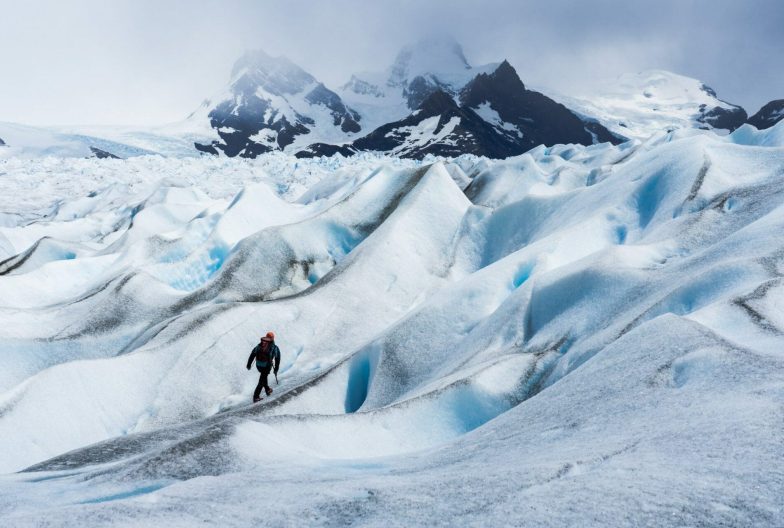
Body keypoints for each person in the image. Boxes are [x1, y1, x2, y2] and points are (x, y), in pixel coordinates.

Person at [246, 331, 281, 403]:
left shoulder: (260, 345)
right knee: (261, 381)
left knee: (263, 377)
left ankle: (267, 389)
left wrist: (249, 364)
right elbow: (277, 359)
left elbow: (253, 354)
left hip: (258, 365)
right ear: (273, 338)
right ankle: (256, 396)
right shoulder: (274, 347)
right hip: (266, 366)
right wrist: (276, 369)